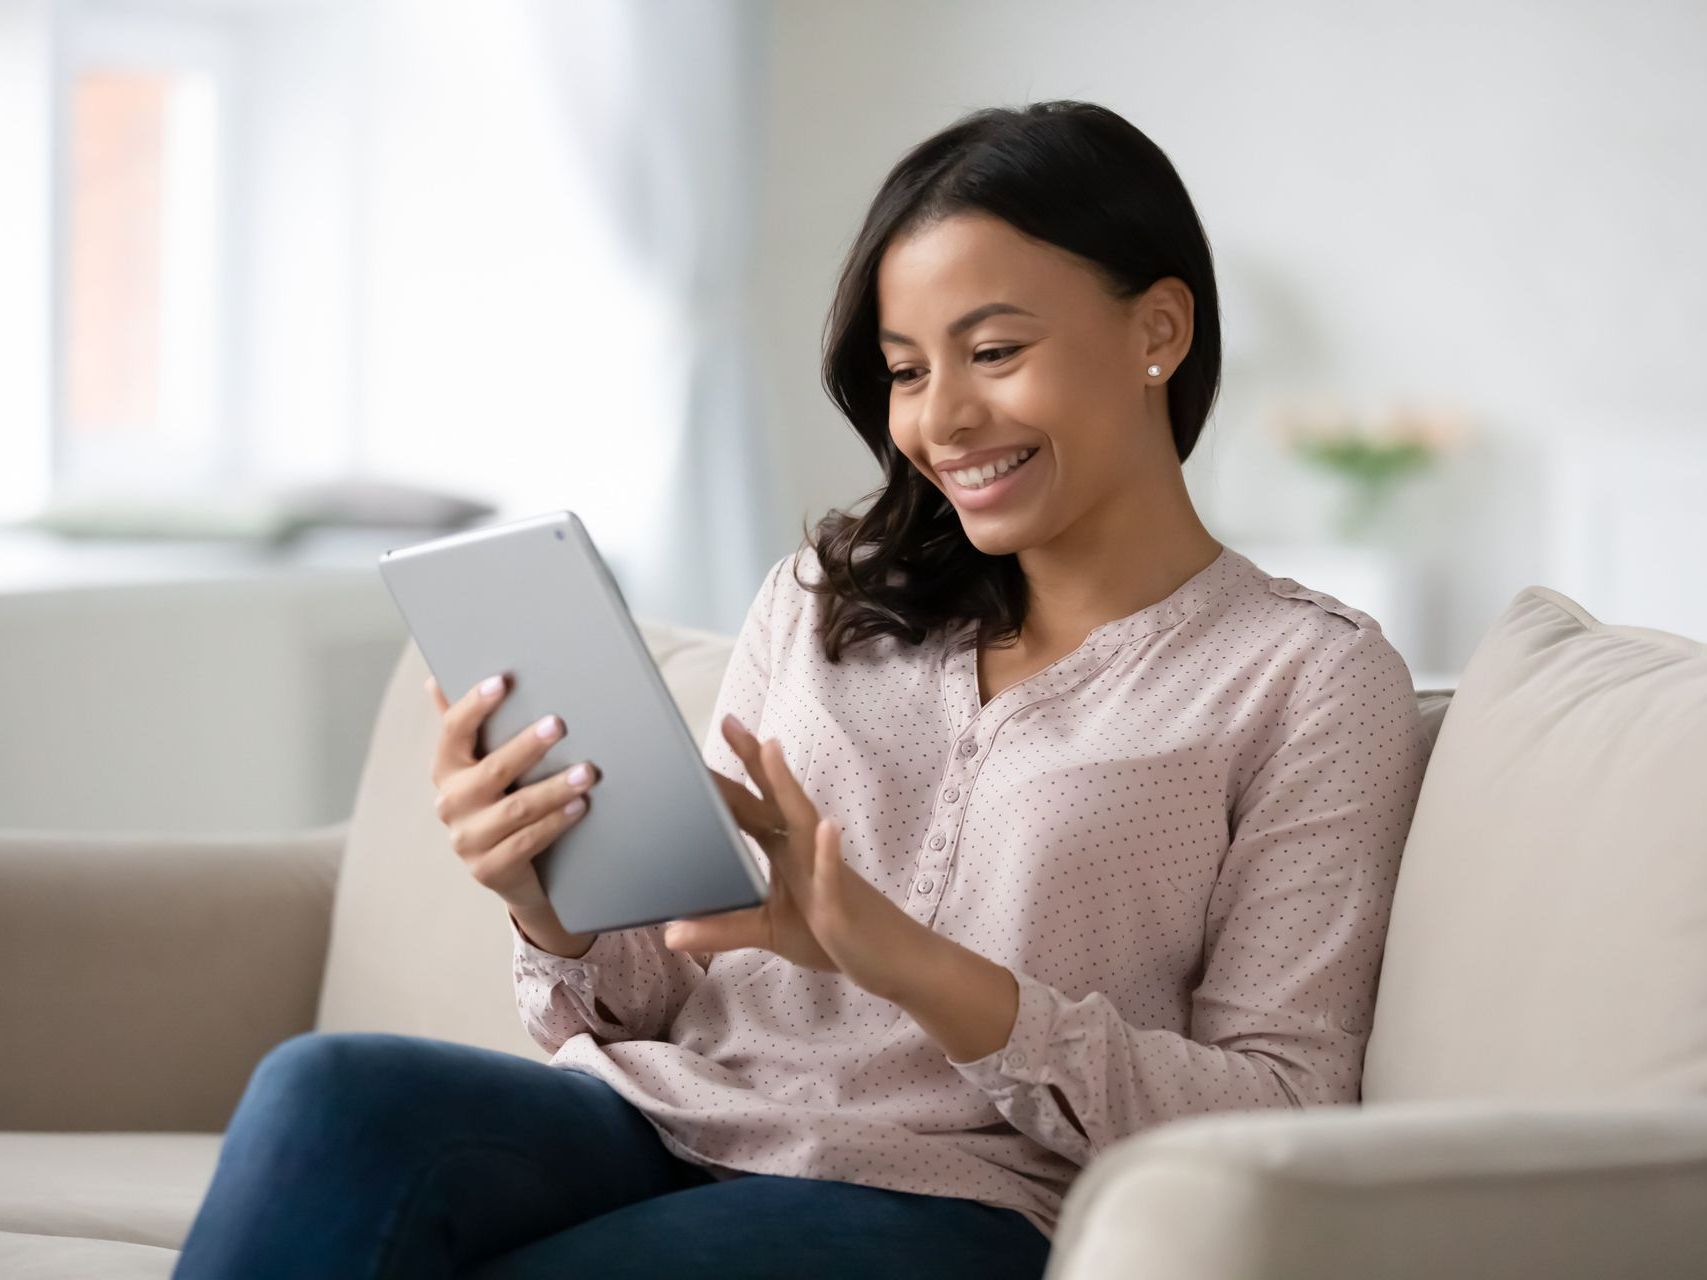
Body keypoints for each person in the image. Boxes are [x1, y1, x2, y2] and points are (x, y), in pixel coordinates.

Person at [173, 99, 1428, 1279]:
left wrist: (919, 968)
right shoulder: (827, 602)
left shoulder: (1308, 679)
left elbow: (1283, 1110)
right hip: (666, 1122)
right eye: (906, 369)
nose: (943, 421)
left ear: (1159, 328)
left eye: (993, 349)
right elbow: (655, 990)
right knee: (324, 1089)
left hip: (953, 1200)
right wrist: (545, 898)